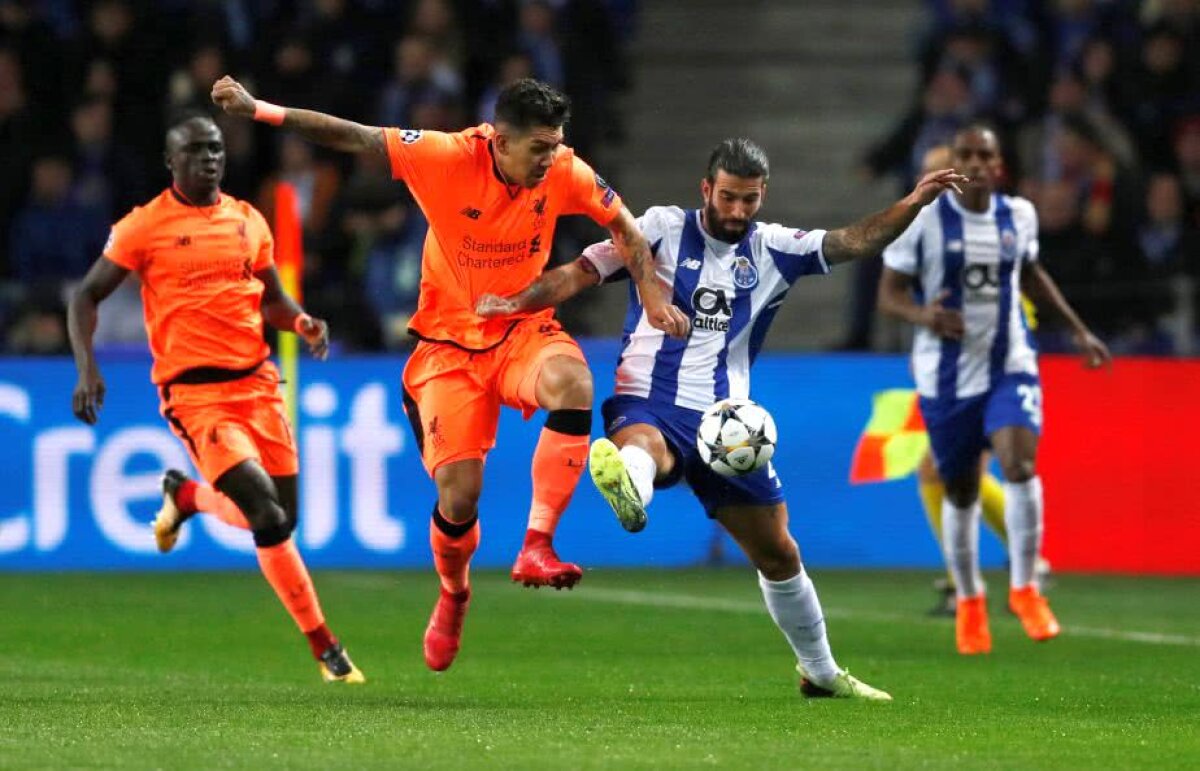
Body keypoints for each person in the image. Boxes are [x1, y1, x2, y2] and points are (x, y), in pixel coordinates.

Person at [212, 75, 688, 672]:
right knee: (459, 500)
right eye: (540, 147)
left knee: (575, 385)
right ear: (501, 140)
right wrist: (261, 110)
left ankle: (537, 544)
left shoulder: (565, 169)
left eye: (557, 144)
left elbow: (627, 229)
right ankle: (454, 595)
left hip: (520, 328)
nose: (552, 158)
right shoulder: (443, 156)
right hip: (446, 346)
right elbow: (354, 136)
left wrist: (648, 292)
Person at [476, 138, 969, 700]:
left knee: (779, 552)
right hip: (649, 397)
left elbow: (852, 241)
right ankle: (629, 484)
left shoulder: (774, 247)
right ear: (706, 190)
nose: (738, 211)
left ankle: (821, 671)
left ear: (763, 196)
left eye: (750, 200)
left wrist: (913, 202)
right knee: (646, 446)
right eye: (729, 198)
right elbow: (579, 273)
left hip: (728, 424)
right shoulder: (657, 228)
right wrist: (519, 300)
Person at [66, 113, 364, 684]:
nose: (210, 160)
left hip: (257, 382)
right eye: (198, 151)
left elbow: (271, 299)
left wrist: (300, 321)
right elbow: (85, 295)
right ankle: (327, 649)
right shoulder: (143, 226)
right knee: (267, 514)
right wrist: (87, 370)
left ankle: (188, 496)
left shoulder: (248, 221)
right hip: (197, 395)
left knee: (284, 518)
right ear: (171, 162)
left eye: (217, 150)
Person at [877, 125, 1111, 655]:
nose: (976, 164)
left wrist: (1078, 329)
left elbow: (1030, 275)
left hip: (1011, 362)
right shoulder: (922, 221)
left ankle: (1026, 587)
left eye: (985, 155)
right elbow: (888, 296)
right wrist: (925, 315)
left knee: (1020, 461)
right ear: (954, 162)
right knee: (958, 489)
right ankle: (970, 599)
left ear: (999, 164)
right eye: (967, 155)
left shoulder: (1019, 215)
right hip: (947, 374)